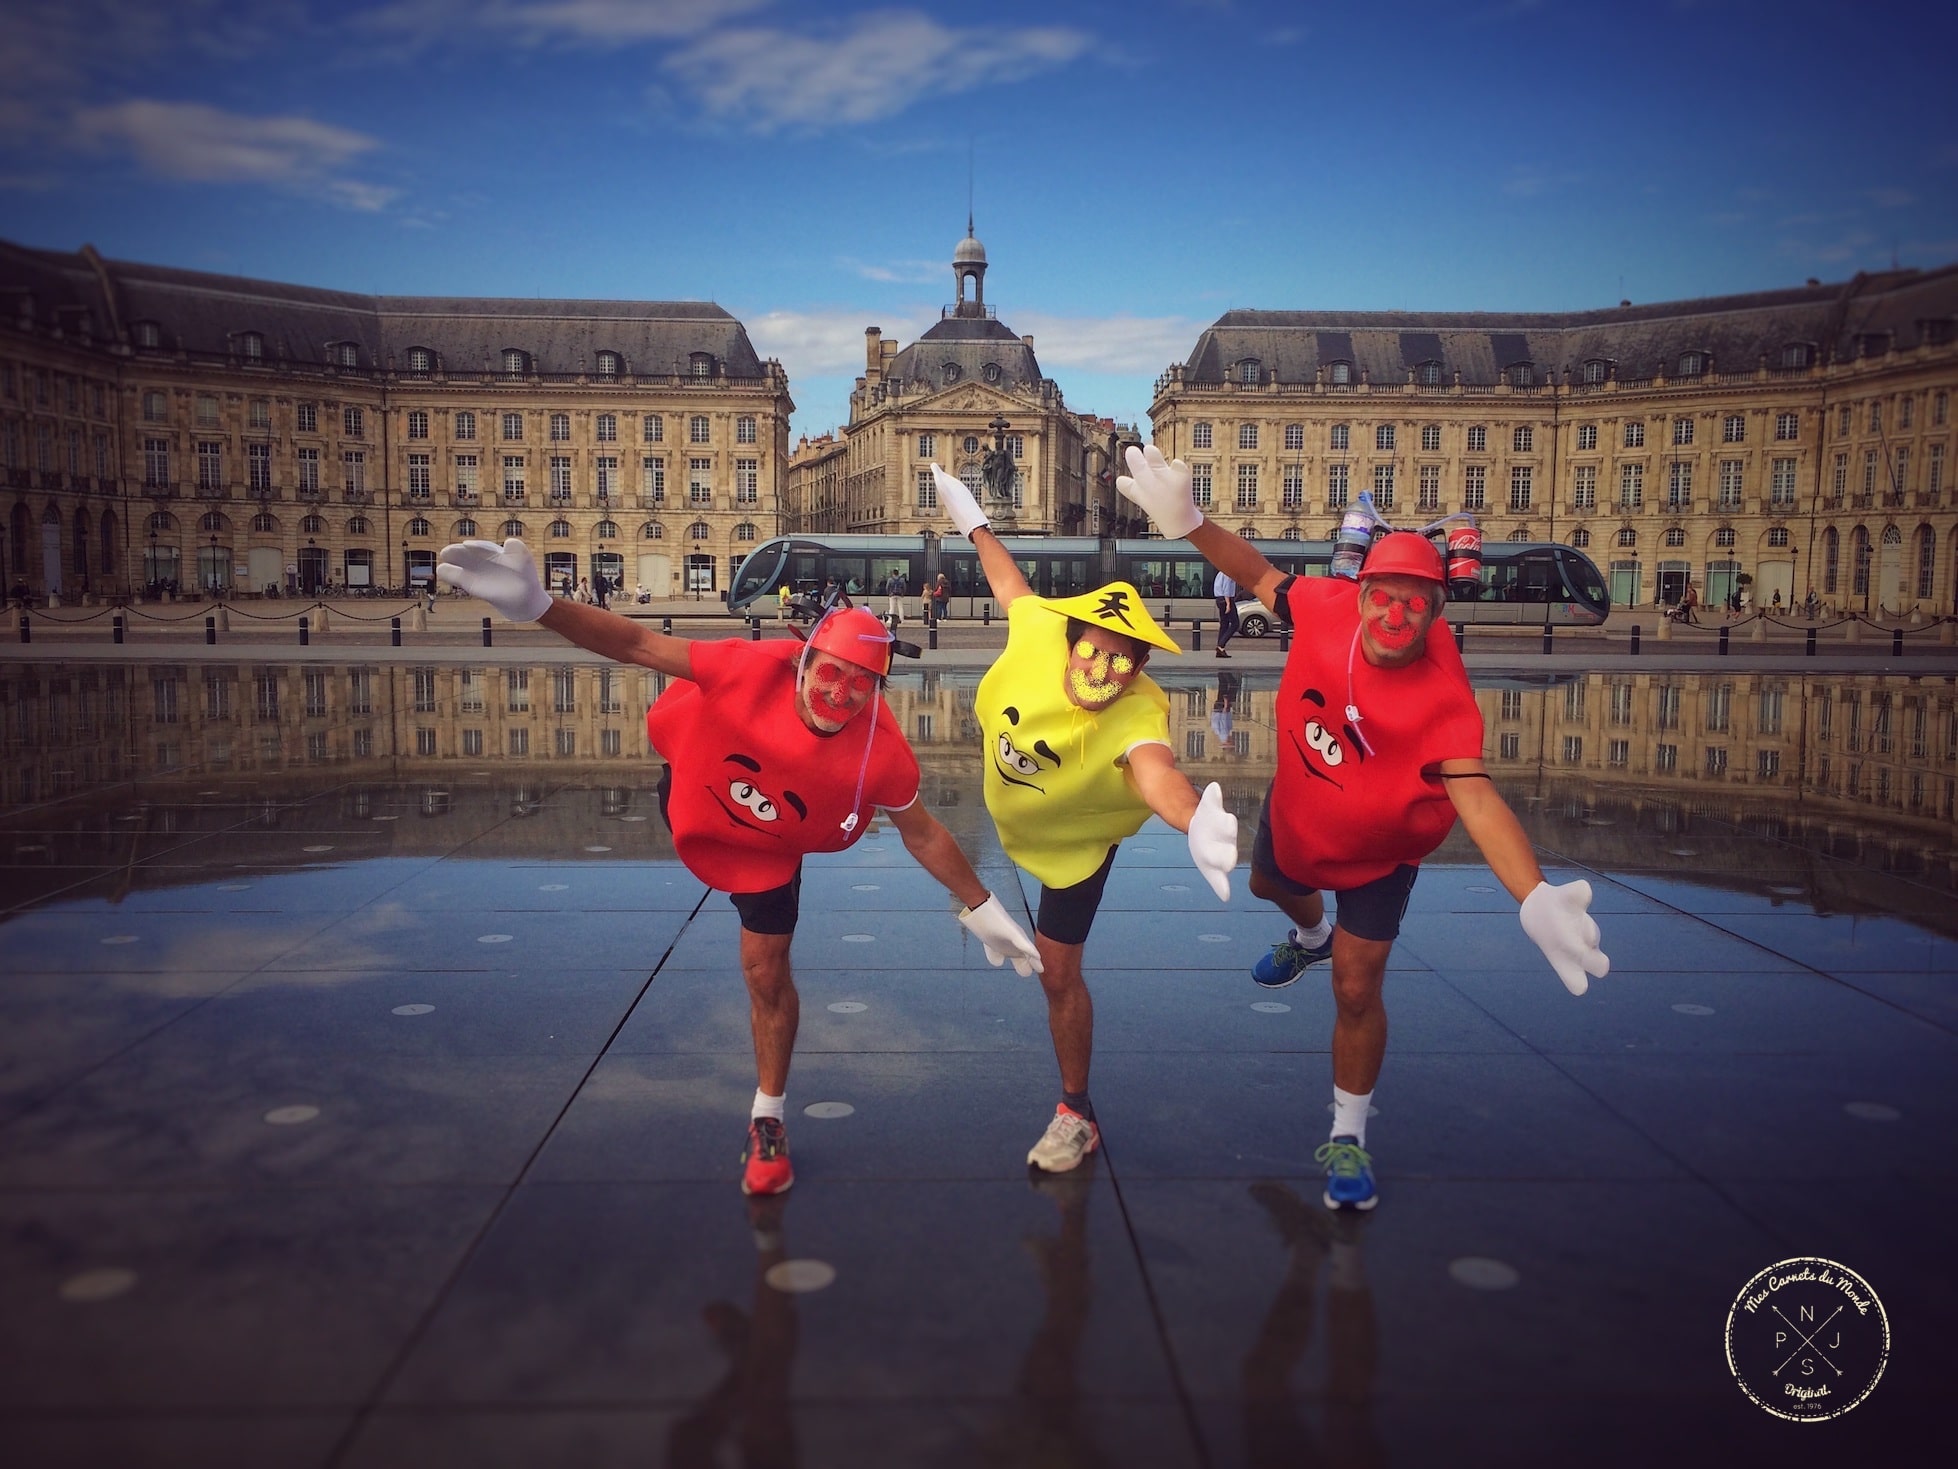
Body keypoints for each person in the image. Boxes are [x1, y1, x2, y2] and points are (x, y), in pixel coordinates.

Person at [435, 537, 1041, 1197]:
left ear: (877, 691)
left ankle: (767, 1117)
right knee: (722, 844)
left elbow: (922, 833)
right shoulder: (746, 667)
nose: (838, 694)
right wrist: (542, 606)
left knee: (765, 972)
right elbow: (637, 645)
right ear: (805, 659)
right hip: (699, 789)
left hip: (772, 841)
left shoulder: (883, 755)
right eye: (829, 673)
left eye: (860, 685)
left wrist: (980, 905)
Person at [1116, 446, 1609, 1213]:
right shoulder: (1324, 606)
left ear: (1436, 611)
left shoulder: (1445, 699)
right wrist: (1190, 523)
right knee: (1265, 882)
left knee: (1356, 988)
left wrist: (1533, 892)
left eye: (1417, 603)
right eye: (1384, 595)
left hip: (1382, 853)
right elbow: (1256, 573)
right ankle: (1308, 937)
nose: (1395, 616)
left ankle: (1348, 1134)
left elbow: (1476, 799)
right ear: (1363, 589)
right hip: (1299, 813)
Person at [929, 464, 1238, 1173]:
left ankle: (1076, 1111)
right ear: (1071, 643)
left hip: (1077, 840)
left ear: (1137, 671)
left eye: (1124, 660)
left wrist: (1193, 820)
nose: (1104, 666)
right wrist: (973, 519)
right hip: (1019, 814)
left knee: (1057, 974)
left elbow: (1157, 771)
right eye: (1095, 648)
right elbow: (1007, 580)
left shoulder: (1138, 711)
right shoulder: (1041, 633)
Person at [1213, 567, 1240, 657]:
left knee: (1224, 624)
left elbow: (1217, 587)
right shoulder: (1228, 574)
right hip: (1226, 599)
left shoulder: (1220, 573)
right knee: (1235, 623)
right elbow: (1226, 589)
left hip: (1219, 599)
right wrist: (1228, 603)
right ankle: (1221, 645)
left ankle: (1220, 650)